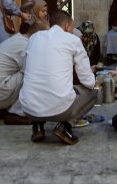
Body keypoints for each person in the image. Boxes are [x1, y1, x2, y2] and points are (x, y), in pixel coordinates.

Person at [20, 11, 97, 145]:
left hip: (29, 107)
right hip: (60, 109)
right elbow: (88, 81)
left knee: (36, 83)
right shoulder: (72, 40)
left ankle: (37, 126)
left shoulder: (34, 38)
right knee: (93, 92)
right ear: (67, 26)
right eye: (72, 28)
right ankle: (65, 127)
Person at [0, 0, 49, 125]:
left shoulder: (20, 39)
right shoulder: (26, 45)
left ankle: (0, 108)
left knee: (26, 70)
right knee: (33, 73)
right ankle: (16, 113)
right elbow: (33, 75)